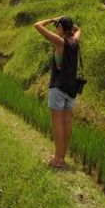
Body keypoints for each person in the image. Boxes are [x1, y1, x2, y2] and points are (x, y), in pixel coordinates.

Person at [34, 16, 81, 168]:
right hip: (71, 89)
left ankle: (58, 160)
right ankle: (61, 157)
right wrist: (66, 24)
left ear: (61, 27)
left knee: (57, 125)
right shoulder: (75, 41)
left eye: (57, 26)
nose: (56, 29)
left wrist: (50, 19)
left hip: (58, 87)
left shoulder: (60, 42)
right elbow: (78, 29)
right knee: (67, 124)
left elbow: (37, 25)